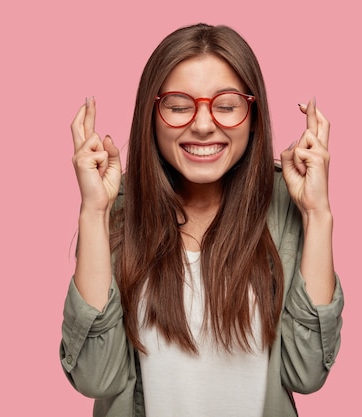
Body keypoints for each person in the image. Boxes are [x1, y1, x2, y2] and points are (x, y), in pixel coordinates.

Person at [60, 23, 344, 417]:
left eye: (226, 105)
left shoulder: (285, 202)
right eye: (179, 106)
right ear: (151, 115)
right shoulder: (116, 203)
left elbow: (306, 372)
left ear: (253, 115)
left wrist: (318, 214)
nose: (204, 124)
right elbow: (95, 377)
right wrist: (94, 212)